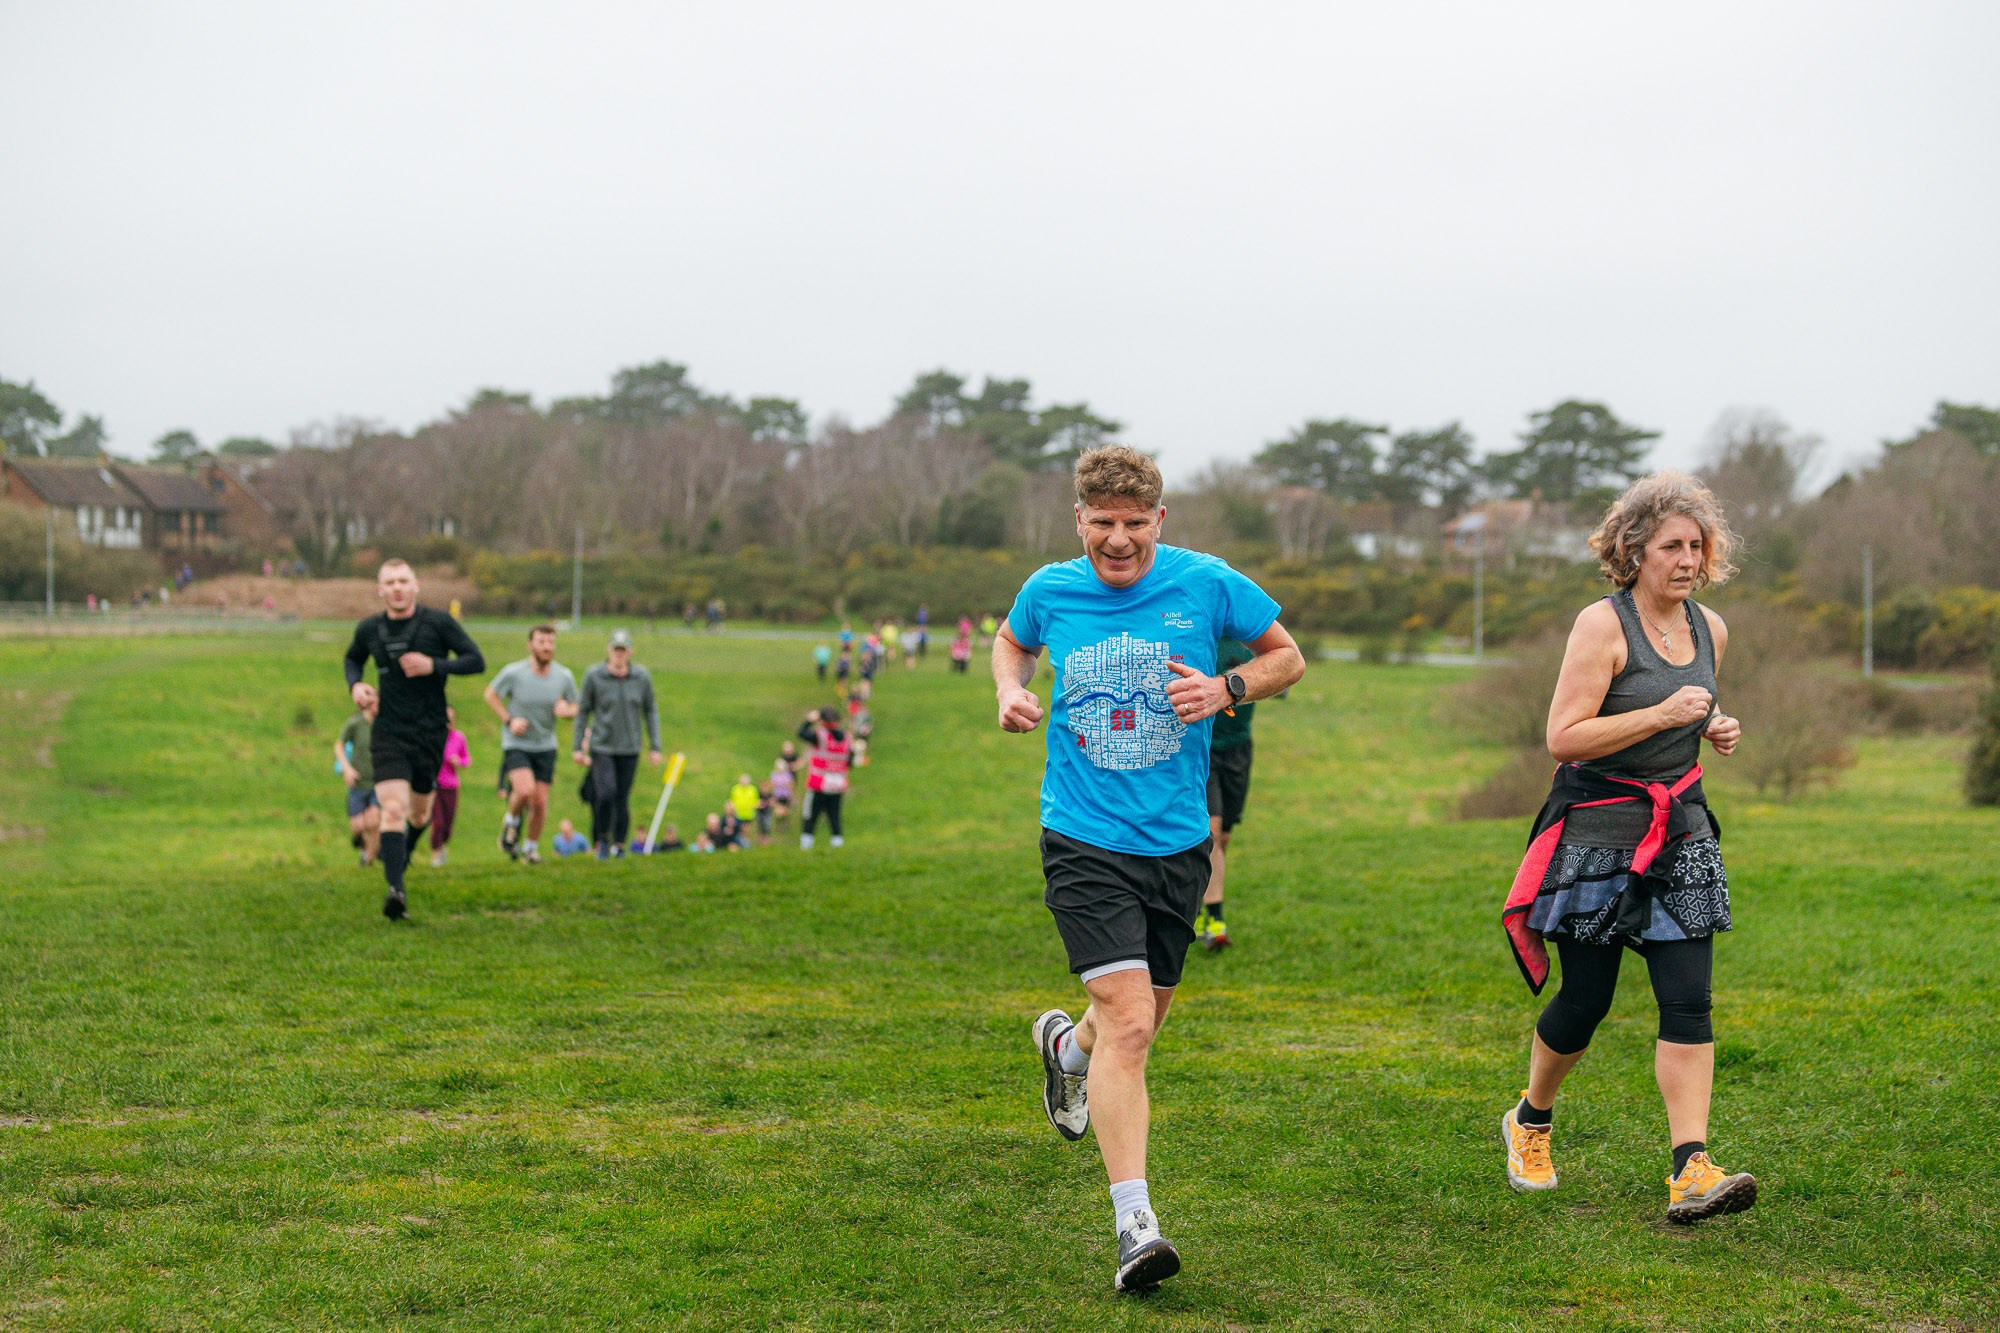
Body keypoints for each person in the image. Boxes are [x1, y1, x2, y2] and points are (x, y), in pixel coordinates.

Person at [994, 444, 1304, 1293]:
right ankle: (1136, 1225)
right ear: (1079, 520)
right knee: (1131, 1024)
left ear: (1159, 519)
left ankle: (1067, 1048)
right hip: (1082, 837)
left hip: (1176, 846)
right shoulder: (1050, 589)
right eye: (1104, 522)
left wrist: (1228, 687)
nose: (1120, 539)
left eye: (1136, 522)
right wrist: (1008, 690)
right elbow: (1011, 641)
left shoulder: (1207, 582)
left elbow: (1287, 656)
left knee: (1133, 1025)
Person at [1499, 471, 1754, 1225]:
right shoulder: (1602, 626)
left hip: (1681, 832)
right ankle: (1531, 1119)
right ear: (1635, 550)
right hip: (1599, 837)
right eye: (1673, 546)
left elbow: (1689, 708)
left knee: (1689, 1000)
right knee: (1588, 1000)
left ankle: (1691, 1168)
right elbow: (1565, 737)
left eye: (1697, 546)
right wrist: (1662, 714)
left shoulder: (1712, 628)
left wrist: (1712, 725)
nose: (1688, 560)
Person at [343, 559, 486, 919]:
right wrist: (356, 685)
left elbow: (476, 660)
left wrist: (434, 665)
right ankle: (396, 892)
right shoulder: (370, 629)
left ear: (416, 586)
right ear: (380, 589)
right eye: (390, 582)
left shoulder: (438, 623)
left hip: (430, 732)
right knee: (393, 809)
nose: (397, 588)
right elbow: (353, 658)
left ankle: (401, 855)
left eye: (403, 581)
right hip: (389, 730)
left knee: (420, 814)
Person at [485, 624, 579, 866]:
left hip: (546, 745)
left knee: (540, 802)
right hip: (517, 743)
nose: (547, 647)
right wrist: (509, 720)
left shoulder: (564, 676)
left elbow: (576, 706)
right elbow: (490, 695)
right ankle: (511, 821)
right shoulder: (514, 673)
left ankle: (530, 849)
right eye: (541, 642)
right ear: (530, 645)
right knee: (525, 791)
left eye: (550, 642)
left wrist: (567, 711)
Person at [573, 629, 663, 860]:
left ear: (630, 651)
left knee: (622, 798)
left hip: (629, 747)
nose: (619, 654)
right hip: (602, 746)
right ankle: (602, 839)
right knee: (605, 794)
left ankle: (620, 845)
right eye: (616, 649)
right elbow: (583, 711)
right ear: (609, 650)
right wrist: (577, 746)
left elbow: (650, 711)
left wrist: (655, 746)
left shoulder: (641, 677)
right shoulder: (594, 676)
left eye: (623, 650)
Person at [1195, 639, 1259, 951]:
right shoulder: (1200, 635)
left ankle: (1196, 903)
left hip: (1238, 749)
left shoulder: (1254, 639)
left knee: (1223, 839)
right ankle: (1216, 923)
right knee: (1212, 833)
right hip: (1203, 749)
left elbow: (1281, 674)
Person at [797, 706, 852, 849]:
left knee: (811, 815)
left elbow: (801, 733)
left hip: (819, 784)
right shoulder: (847, 738)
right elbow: (850, 761)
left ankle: (806, 846)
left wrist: (809, 720)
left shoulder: (820, 736)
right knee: (834, 815)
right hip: (838, 785)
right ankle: (837, 845)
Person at [337, 697, 381, 867]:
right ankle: (363, 846)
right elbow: (339, 746)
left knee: (374, 821)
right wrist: (346, 768)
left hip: (378, 783)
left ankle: (368, 859)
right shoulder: (355, 724)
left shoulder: (384, 725)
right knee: (358, 826)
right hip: (358, 783)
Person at [430, 706, 471, 867]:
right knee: (438, 822)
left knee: (448, 825)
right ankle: (435, 855)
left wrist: (458, 762)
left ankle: (442, 848)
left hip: (451, 786)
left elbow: (466, 759)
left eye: (451, 719)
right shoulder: (432, 736)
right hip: (434, 785)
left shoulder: (459, 737)